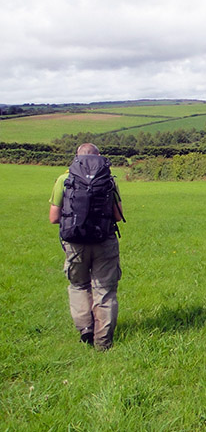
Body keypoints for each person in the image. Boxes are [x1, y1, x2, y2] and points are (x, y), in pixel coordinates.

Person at [49, 143, 123, 351]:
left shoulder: (64, 179)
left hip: (75, 243)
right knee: (105, 291)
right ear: (99, 156)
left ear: (76, 157)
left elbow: (54, 218)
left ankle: (85, 329)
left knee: (79, 285)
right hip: (105, 241)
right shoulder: (107, 179)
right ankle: (103, 343)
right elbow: (118, 216)